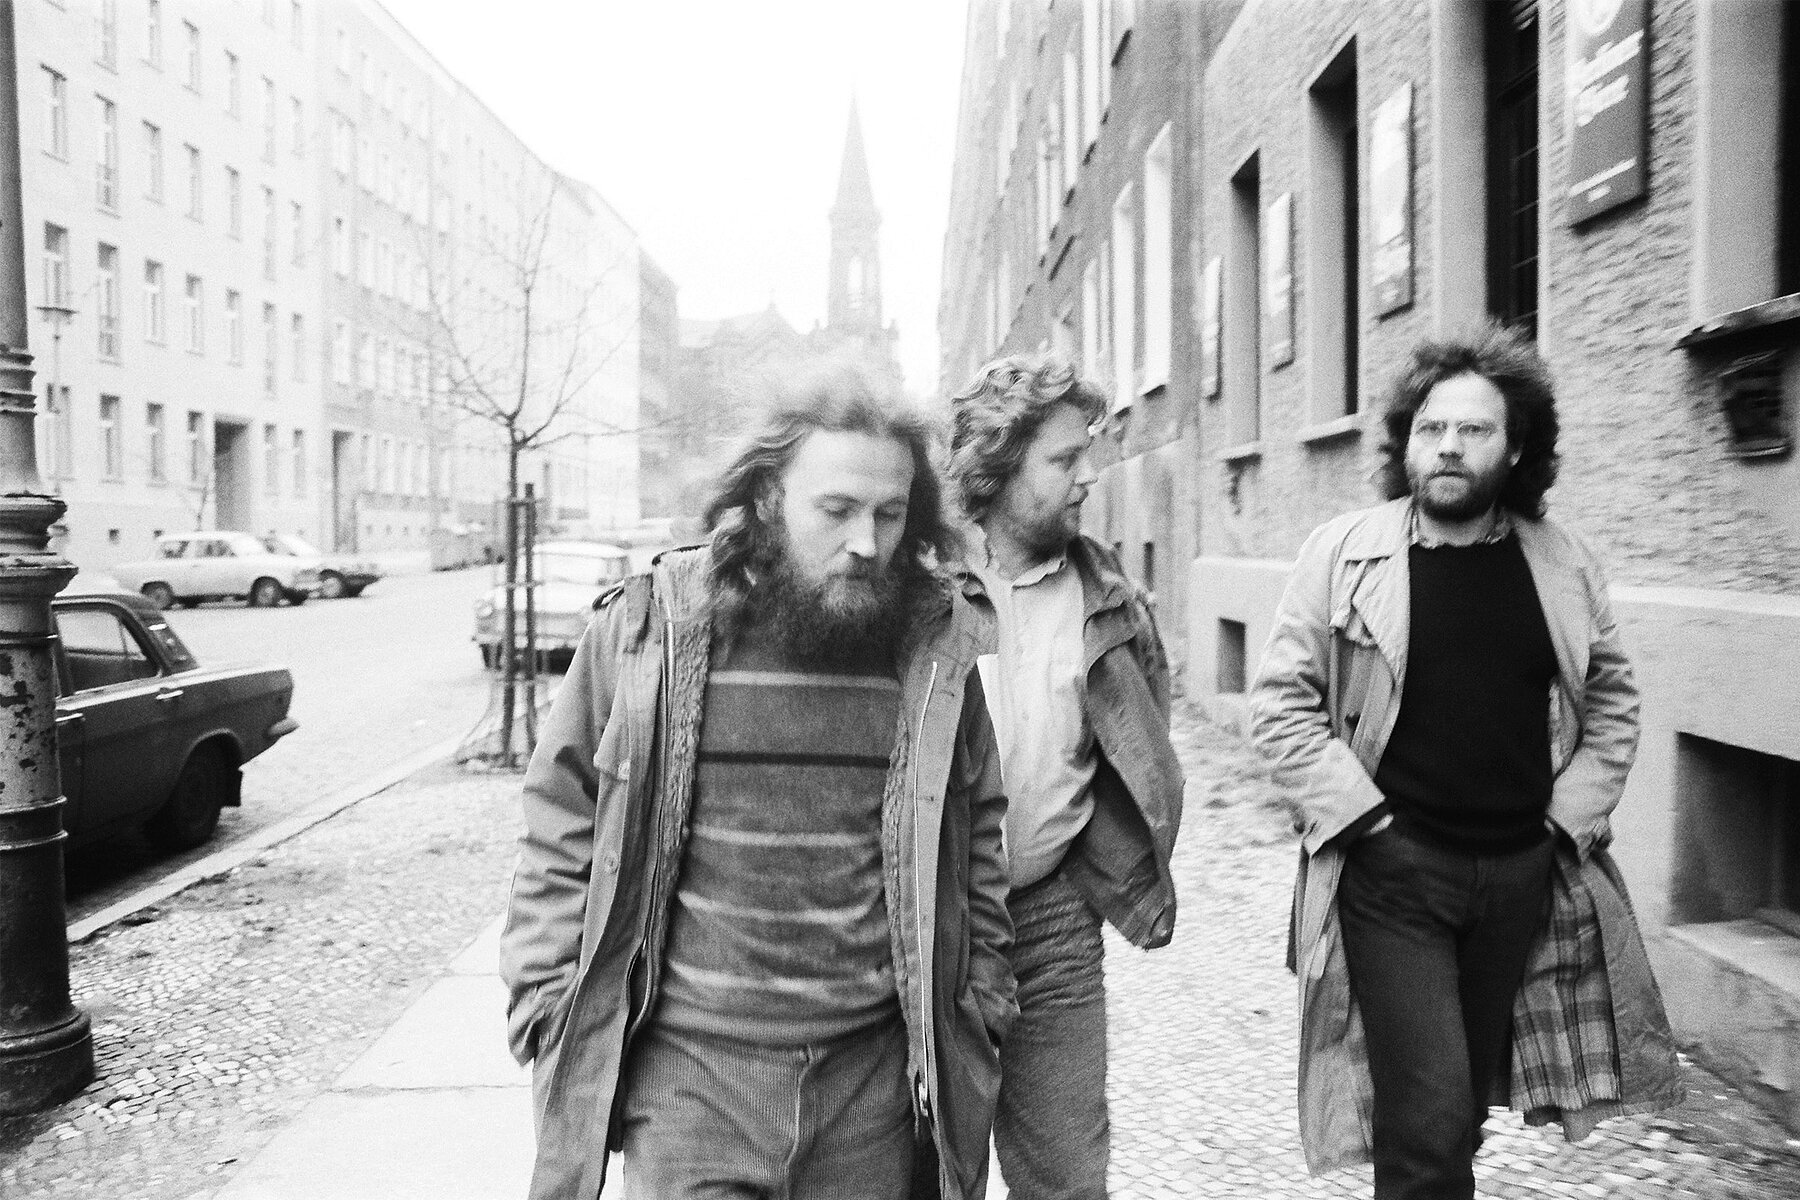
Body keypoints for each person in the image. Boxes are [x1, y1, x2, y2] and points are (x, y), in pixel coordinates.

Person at [499, 367, 1017, 1200]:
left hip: (871, 1092)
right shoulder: (652, 630)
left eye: (889, 514)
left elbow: (978, 837)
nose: (866, 543)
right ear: (770, 498)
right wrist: (549, 999)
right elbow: (561, 816)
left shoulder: (931, 654)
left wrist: (981, 1001)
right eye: (837, 510)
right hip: (693, 1089)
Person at [1250, 325, 1684, 1200]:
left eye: (1475, 430)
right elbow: (1280, 705)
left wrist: (1563, 820)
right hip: (1396, 879)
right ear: (1407, 441)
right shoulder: (1345, 555)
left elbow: (1614, 704)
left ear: (1516, 447)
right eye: (1431, 428)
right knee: (1435, 1112)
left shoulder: (1559, 562)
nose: (1448, 445)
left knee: (1456, 1120)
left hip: (1520, 876)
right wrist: (1367, 823)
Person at [945, 355, 1185, 1200]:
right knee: (926, 1170)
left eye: (1087, 453)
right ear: (997, 466)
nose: (1089, 475)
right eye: (1063, 460)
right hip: (930, 922)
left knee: (1069, 1179)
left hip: (1051, 920)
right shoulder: (918, 592)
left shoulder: (1109, 596)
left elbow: (1138, 733)